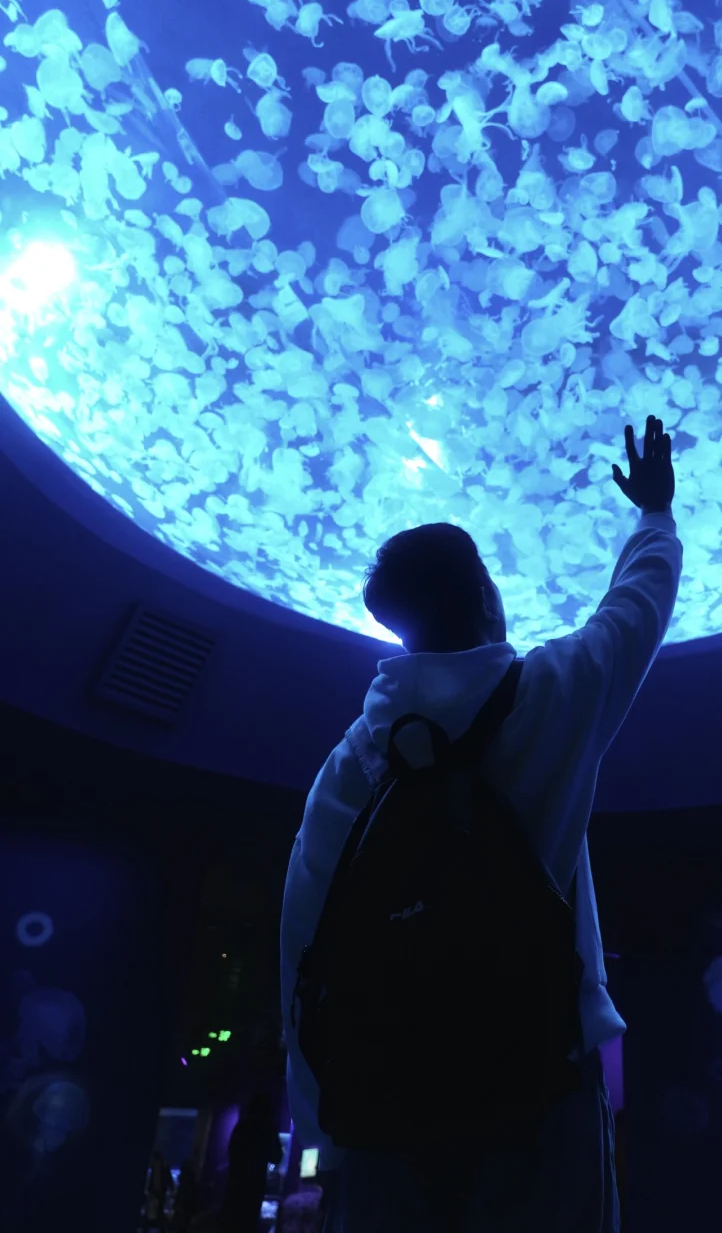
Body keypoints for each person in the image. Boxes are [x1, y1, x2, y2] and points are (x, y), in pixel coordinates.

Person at [280, 415, 681, 1232]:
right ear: (490, 600)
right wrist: (654, 514)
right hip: (539, 1085)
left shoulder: (352, 763)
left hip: (384, 1109)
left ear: (396, 624)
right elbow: (636, 607)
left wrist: (325, 1137)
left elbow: (303, 943)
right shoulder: (554, 694)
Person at [220, 1093, 283, 1233]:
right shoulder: (266, 1128)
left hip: (234, 1187)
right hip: (253, 1190)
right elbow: (277, 1156)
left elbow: (230, 1153)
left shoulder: (240, 1127)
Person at [143, 1149, 173, 1232]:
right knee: (158, 1210)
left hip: (155, 1192)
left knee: (151, 1211)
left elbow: (153, 1179)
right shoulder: (164, 1165)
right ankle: (160, 1228)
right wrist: (171, 1188)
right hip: (159, 1192)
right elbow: (168, 1178)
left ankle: (148, 1228)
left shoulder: (156, 1165)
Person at [172, 1157, 197, 1233]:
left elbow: (181, 1192)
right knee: (184, 1222)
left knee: (180, 1223)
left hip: (183, 1203)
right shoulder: (191, 1181)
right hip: (187, 1204)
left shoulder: (183, 1180)